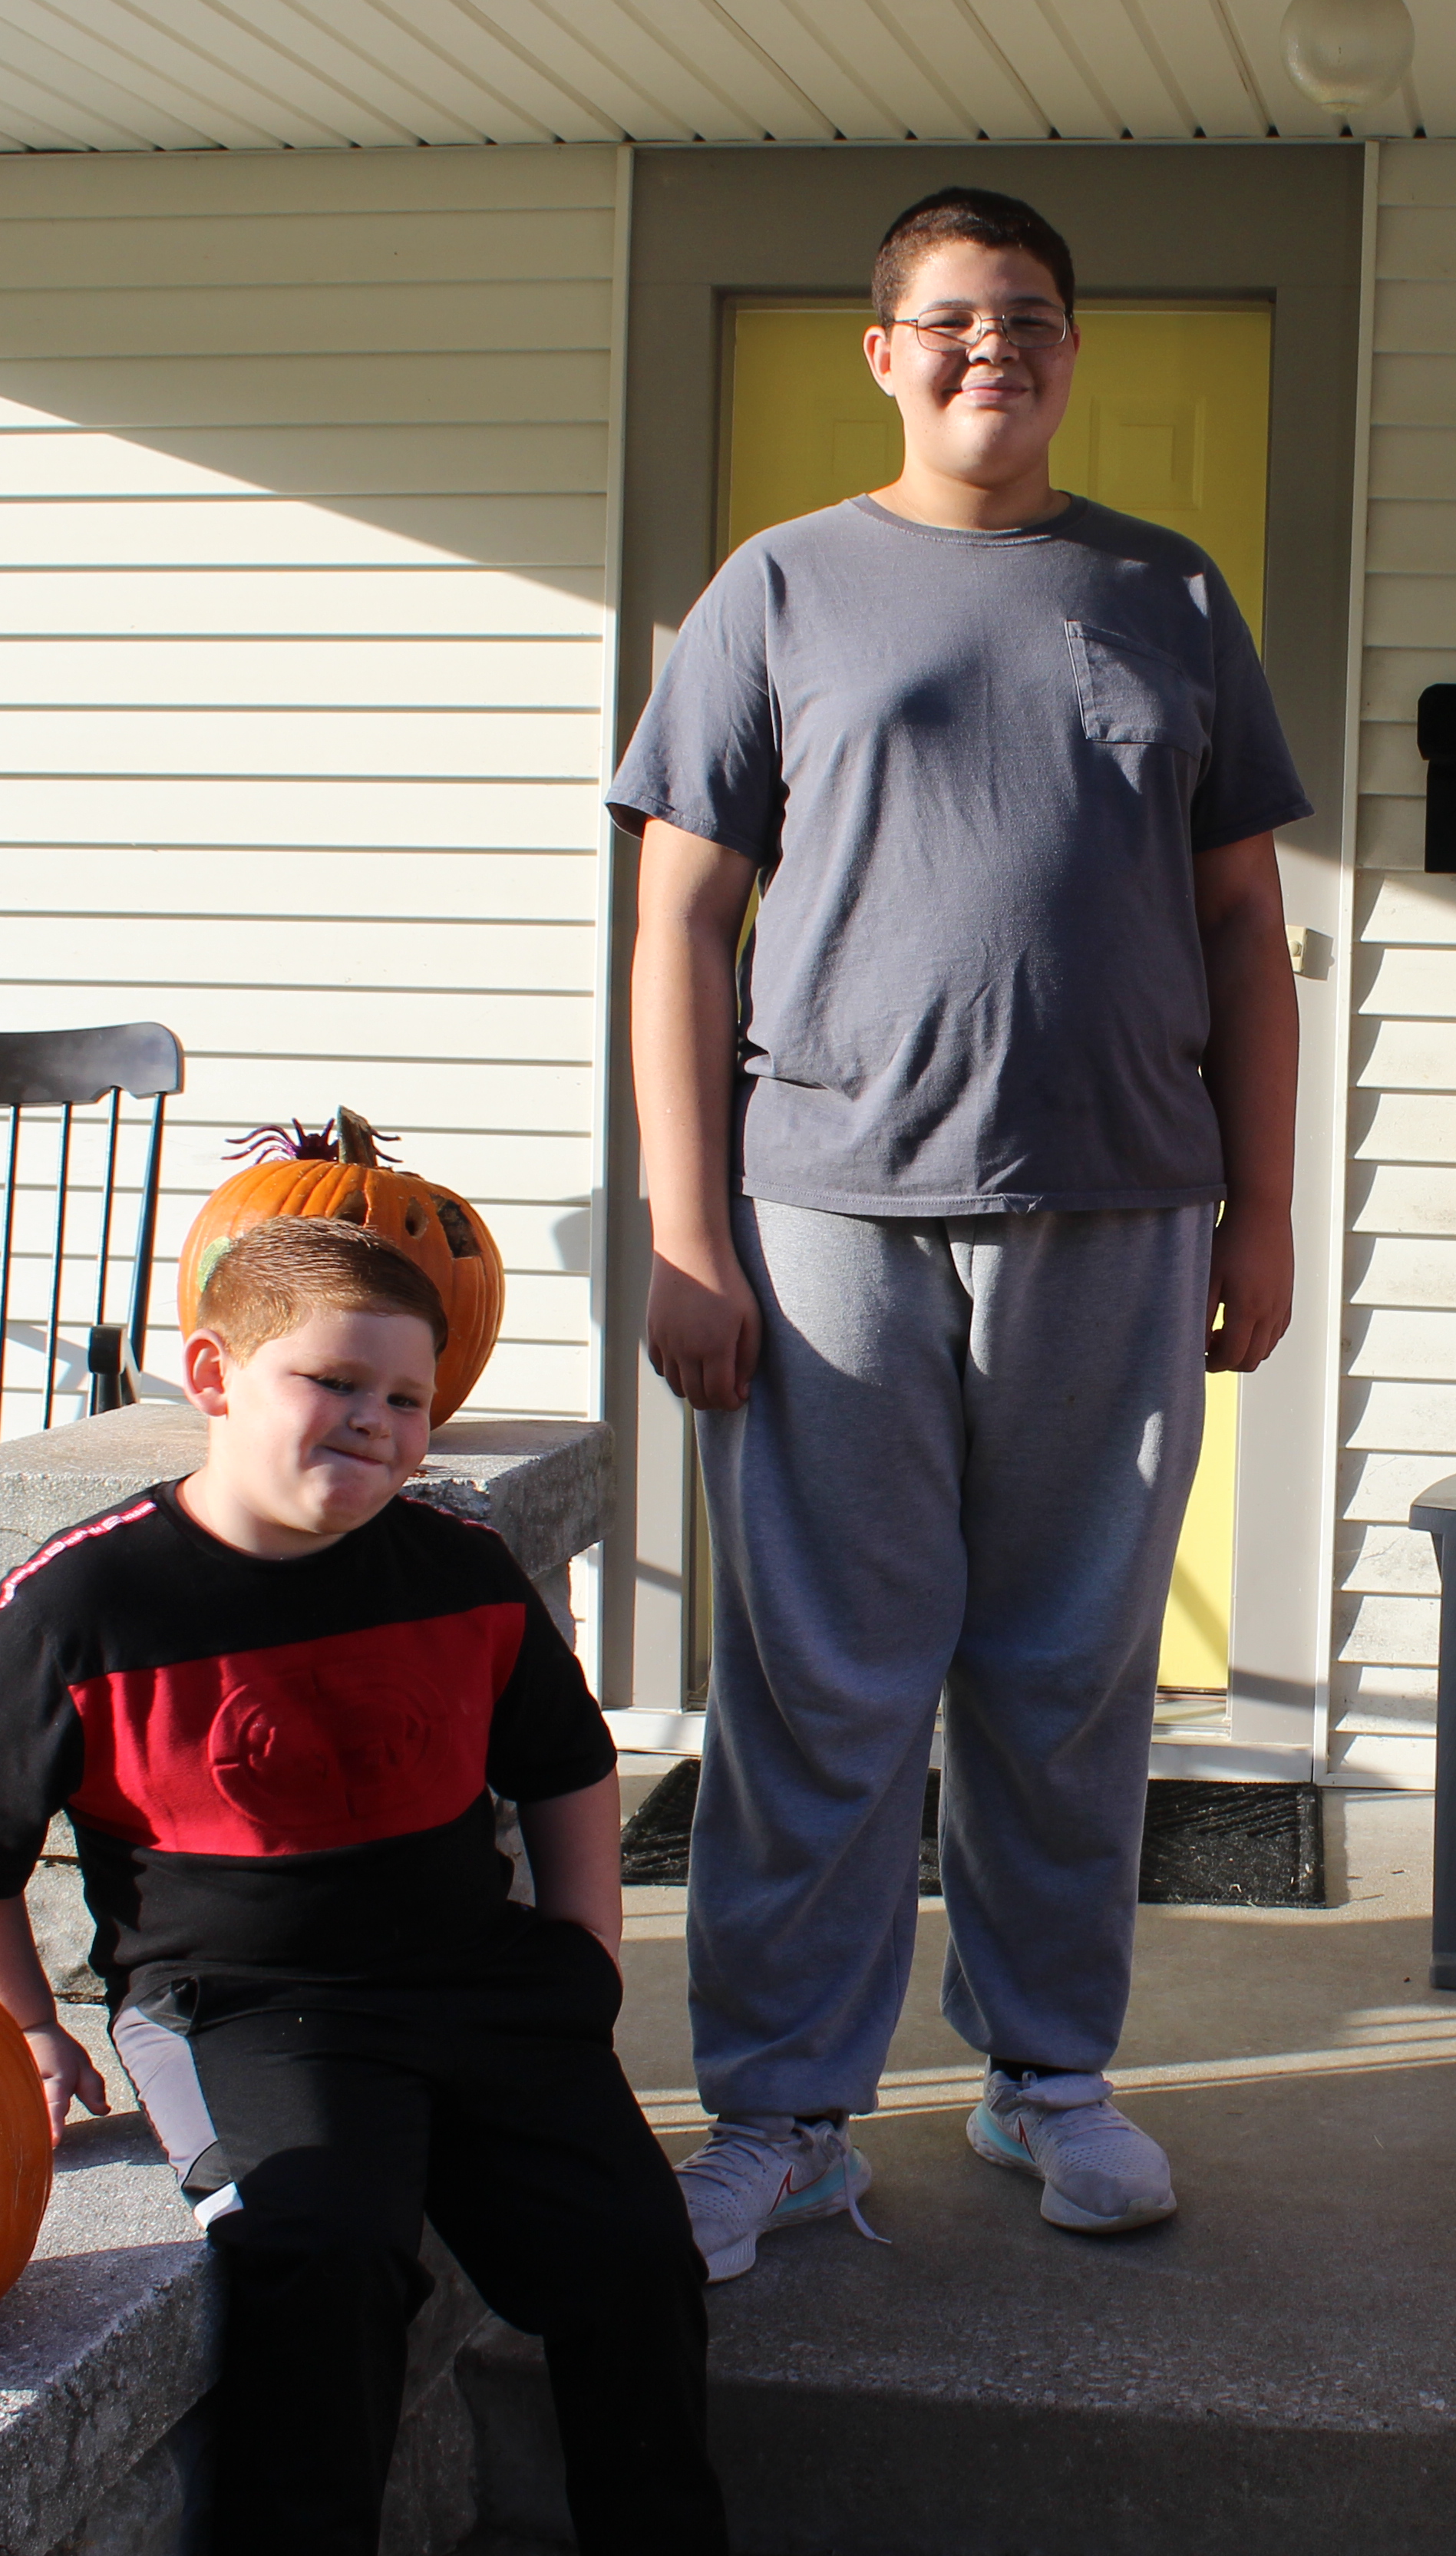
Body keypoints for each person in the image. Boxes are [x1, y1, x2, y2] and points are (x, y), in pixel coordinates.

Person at [612, 187, 1306, 2277]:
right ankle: (786, 2115)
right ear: (883, 352)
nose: (988, 348)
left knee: (1068, 1674)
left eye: (1025, 319)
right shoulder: (780, 591)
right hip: (827, 1210)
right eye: (948, 320)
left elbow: (1248, 933)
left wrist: (1265, 1210)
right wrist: (687, 1230)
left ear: (1072, 348)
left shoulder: (1165, 591)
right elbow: (677, 923)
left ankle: (1045, 2079)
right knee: (822, 1679)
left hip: (1121, 1205)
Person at [0, 1218, 722, 2556]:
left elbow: (566, 1763)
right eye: (332, 1383)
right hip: (242, 2010)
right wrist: (24, 2030)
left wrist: (585, 1951)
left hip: (481, 1982)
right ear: (214, 1378)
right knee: (323, 2265)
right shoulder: (86, 1603)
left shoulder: (458, 1571)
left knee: (633, 2267)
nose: (376, 1423)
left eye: (406, 1399)